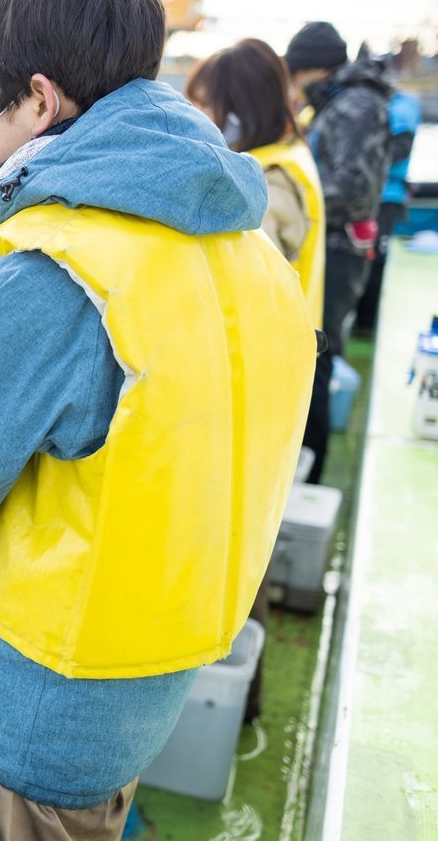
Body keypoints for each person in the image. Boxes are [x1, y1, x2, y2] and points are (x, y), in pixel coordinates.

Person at [0, 0, 316, 838]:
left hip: (41, 717)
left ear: (39, 100)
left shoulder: (55, 273)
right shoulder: (245, 245)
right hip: (144, 685)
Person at [186, 37, 325, 722]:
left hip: (258, 393)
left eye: (210, 107)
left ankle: (235, 709)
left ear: (239, 110)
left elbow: (238, 276)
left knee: (244, 557)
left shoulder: (270, 184)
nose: (203, 121)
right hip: (280, 380)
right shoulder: (288, 159)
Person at [285, 22, 391, 481]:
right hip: (327, 248)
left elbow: (354, 189)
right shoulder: (338, 102)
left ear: (315, 69)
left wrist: (290, 195)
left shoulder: (355, 105)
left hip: (339, 252)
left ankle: (310, 476)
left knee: (316, 365)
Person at [354, 80, 422, 335]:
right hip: (370, 197)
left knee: (374, 260)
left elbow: (400, 149)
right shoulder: (386, 104)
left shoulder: (402, 106)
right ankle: (361, 322)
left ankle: (366, 325)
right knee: (367, 259)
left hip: (386, 199)